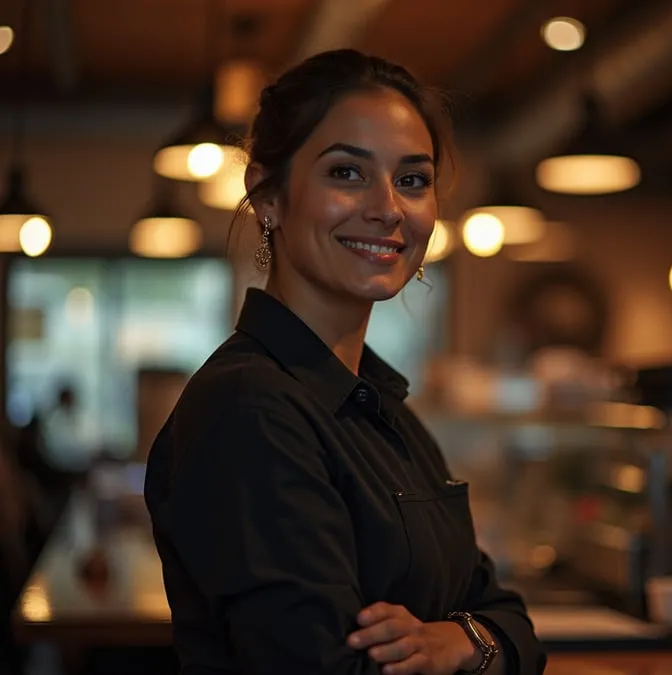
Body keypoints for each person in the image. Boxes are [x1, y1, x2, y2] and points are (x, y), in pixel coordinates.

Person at [143, 49, 546, 675]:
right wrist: (479, 644)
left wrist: (458, 642)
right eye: (347, 174)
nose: (388, 207)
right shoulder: (250, 409)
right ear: (267, 195)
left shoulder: (383, 406)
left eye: (412, 180)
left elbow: (512, 622)